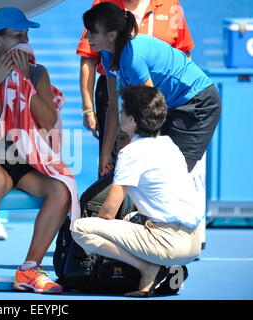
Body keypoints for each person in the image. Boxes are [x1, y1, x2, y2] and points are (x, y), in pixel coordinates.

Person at [0, 7, 70, 295]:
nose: (25, 39)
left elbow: (47, 122)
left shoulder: (37, 72)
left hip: (24, 160)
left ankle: (30, 268)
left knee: (62, 190)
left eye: (26, 34)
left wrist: (25, 83)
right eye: (18, 35)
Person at [71, 85, 202, 297]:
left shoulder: (131, 152)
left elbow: (108, 213)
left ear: (131, 120)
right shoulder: (170, 143)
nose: (119, 114)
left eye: (122, 110)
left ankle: (147, 267)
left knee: (80, 229)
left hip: (168, 244)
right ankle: (157, 265)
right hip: (194, 243)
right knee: (131, 217)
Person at [83, 2, 221, 175]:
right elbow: (112, 107)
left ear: (111, 35)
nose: (87, 37)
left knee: (171, 177)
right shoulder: (107, 54)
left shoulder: (133, 59)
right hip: (168, 104)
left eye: (92, 32)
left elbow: (151, 112)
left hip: (197, 103)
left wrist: (127, 144)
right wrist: (105, 154)